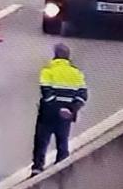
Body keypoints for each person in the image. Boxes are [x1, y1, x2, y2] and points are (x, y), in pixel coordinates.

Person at [31, 43, 88, 175]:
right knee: (62, 141)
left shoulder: (47, 71)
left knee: (41, 141)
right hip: (66, 116)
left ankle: (37, 167)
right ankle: (62, 168)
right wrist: (71, 110)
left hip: (48, 114)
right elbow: (82, 95)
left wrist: (57, 109)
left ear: (55, 56)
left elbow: (47, 93)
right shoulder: (77, 74)